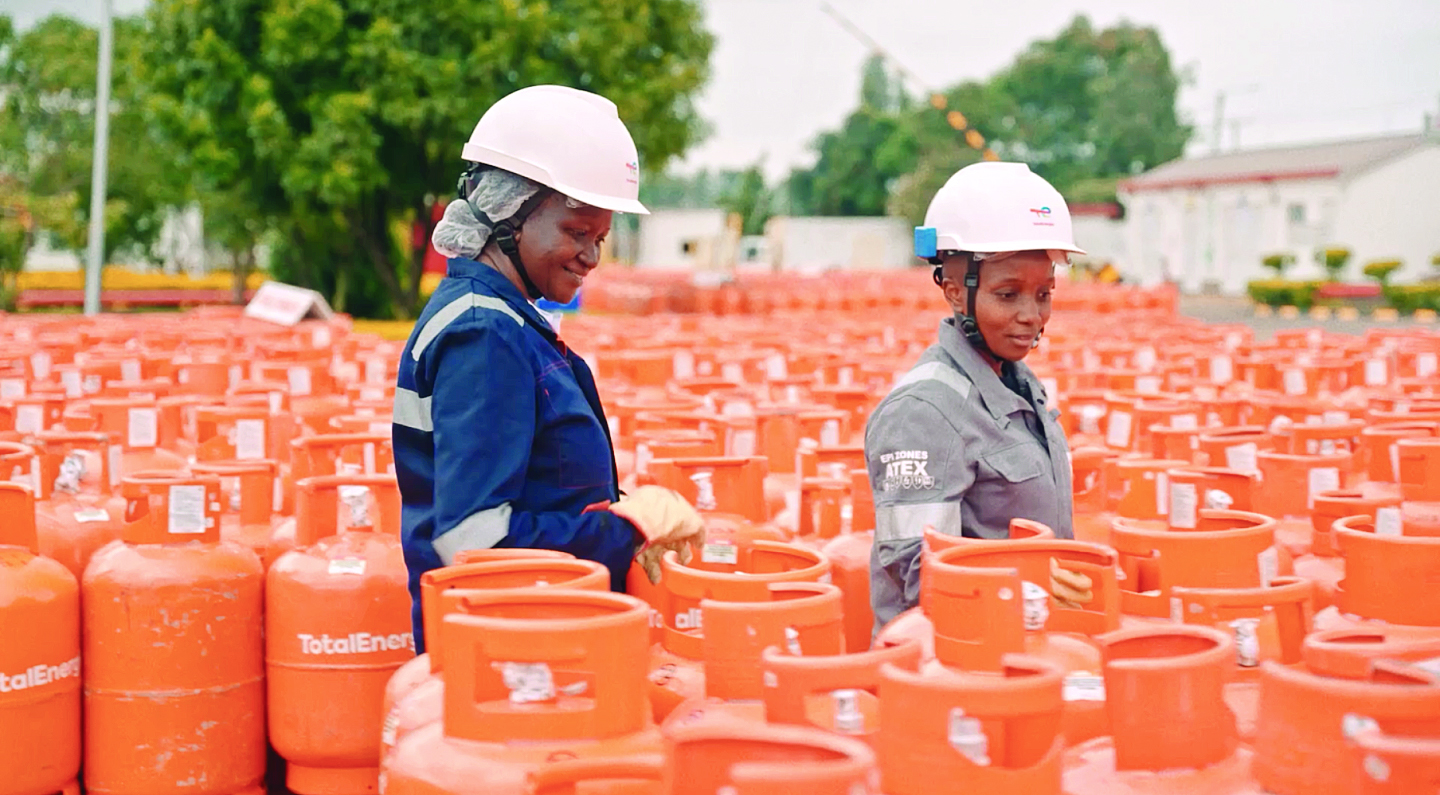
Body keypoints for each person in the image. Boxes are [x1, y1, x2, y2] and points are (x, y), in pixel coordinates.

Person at [392, 85, 705, 652]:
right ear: (509, 213)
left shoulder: (506, 321)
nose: (592, 256)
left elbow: (536, 488)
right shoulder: (483, 336)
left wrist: (619, 512)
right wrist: (625, 528)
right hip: (504, 662)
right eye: (576, 232)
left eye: (602, 237)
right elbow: (476, 546)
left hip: (533, 640)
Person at [865, 161, 1095, 630]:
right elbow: (916, 576)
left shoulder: (1018, 384)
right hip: (952, 670)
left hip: (1028, 642)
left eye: (1044, 293)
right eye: (1008, 295)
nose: (1032, 316)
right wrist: (1026, 584)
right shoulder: (923, 412)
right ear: (954, 292)